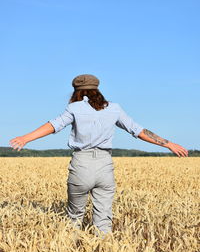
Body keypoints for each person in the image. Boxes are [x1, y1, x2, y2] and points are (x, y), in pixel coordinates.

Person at [9, 74, 188, 237]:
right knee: (103, 220)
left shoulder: (74, 108)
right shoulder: (114, 108)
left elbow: (53, 125)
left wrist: (25, 138)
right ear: (97, 89)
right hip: (105, 167)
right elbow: (138, 131)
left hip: (81, 165)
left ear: (76, 91)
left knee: (74, 217)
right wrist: (169, 144)